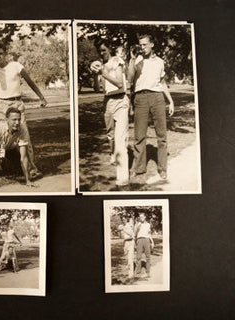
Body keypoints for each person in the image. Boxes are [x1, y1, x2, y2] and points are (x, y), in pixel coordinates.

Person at [0, 48, 47, 181]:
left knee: (26, 140)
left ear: (6, 55)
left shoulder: (16, 66)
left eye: (1, 53)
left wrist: (41, 97)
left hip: (16, 104)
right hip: (0, 106)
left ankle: (32, 170)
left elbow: (30, 81)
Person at [127, 34, 175, 181]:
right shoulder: (138, 60)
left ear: (152, 44)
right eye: (141, 45)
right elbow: (130, 79)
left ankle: (162, 169)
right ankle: (139, 168)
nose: (143, 47)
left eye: (145, 44)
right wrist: (133, 59)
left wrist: (171, 101)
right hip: (140, 98)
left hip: (157, 98)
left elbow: (162, 83)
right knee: (139, 136)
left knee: (162, 136)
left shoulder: (160, 62)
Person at [90, 40, 130, 188]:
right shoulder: (100, 65)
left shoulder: (116, 61)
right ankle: (113, 155)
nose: (102, 53)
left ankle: (123, 179)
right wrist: (94, 74)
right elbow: (96, 89)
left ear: (109, 49)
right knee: (110, 136)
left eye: (104, 50)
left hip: (121, 101)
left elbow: (120, 84)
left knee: (120, 140)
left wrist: (103, 73)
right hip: (107, 102)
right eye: (99, 51)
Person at [134, 212, 155, 278]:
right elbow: (135, 234)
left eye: (142, 217)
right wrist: (137, 228)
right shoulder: (137, 224)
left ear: (145, 217)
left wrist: (152, 242)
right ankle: (138, 272)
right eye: (140, 217)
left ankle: (148, 271)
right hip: (139, 240)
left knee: (148, 256)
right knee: (138, 256)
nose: (141, 218)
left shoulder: (148, 225)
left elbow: (149, 234)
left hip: (146, 240)